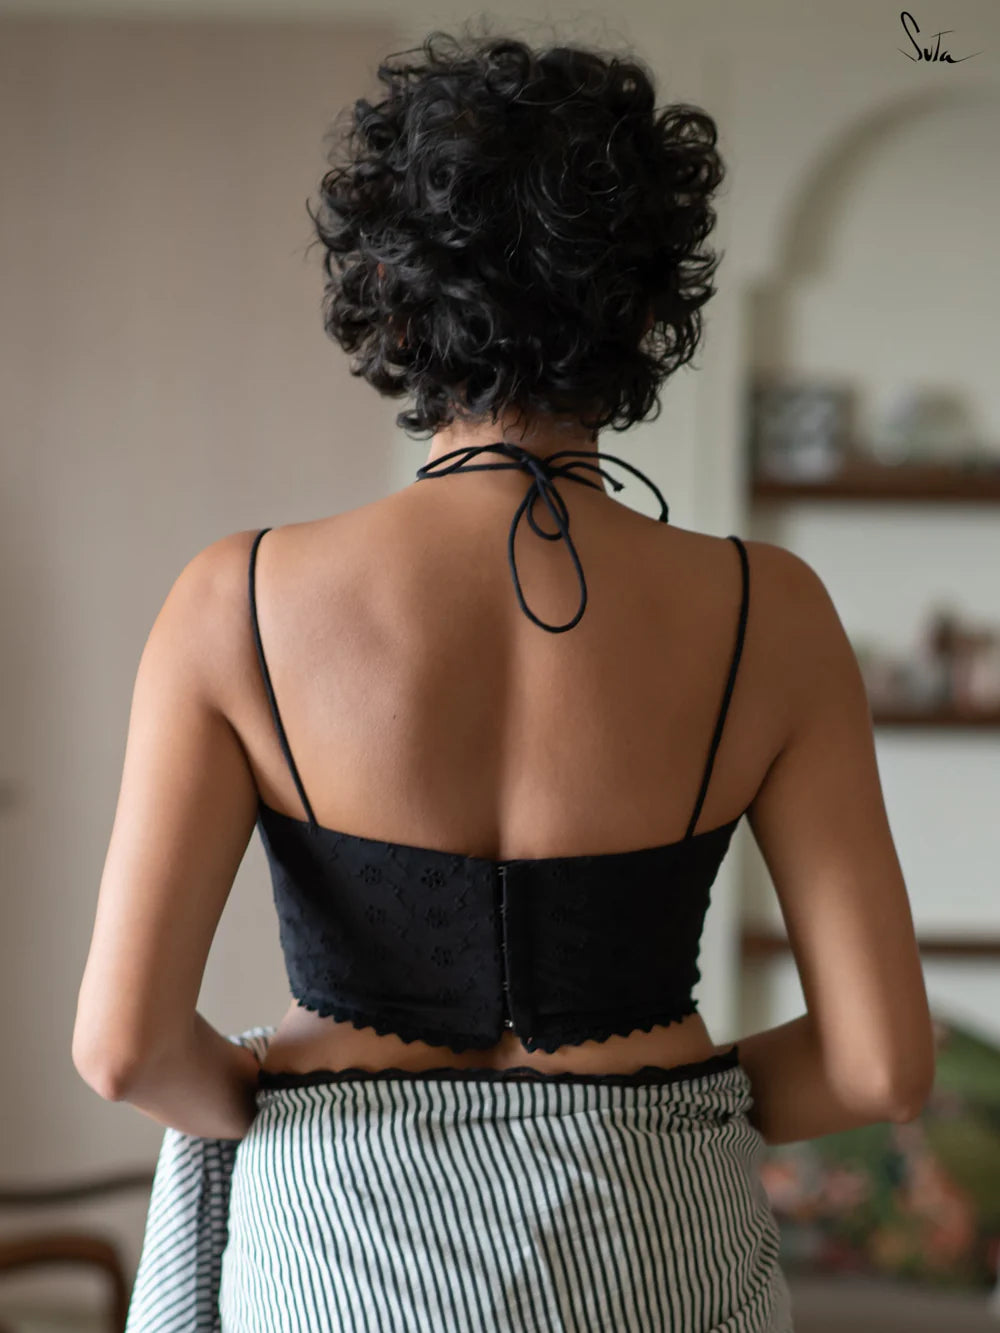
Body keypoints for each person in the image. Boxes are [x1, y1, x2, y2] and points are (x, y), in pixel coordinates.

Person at [73, 26, 936, 1333]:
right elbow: (879, 1062)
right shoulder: (774, 613)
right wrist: (655, 1097)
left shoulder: (234, 599)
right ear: (647, 309)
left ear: (393, 294)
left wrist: (265, 1088)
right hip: (649, 1237)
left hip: (340, 1238)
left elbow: (125, 1046)